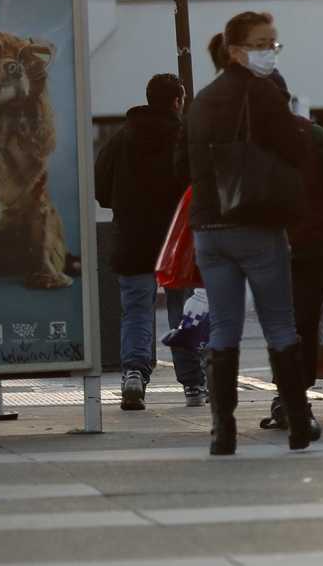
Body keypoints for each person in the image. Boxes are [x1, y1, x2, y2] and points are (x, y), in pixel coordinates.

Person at [178, 10, 317, 456]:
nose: (269, 52)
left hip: (209, 229)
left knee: (223, 326)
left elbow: (190, 165)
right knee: (279, 323)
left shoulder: (201, 100)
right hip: (256, 224)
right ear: (235, 50)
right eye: (260, 44)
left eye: (272, 43)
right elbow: (297, 151)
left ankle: (223, 432)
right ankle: (297, 423)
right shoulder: (263, 94)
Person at [94, 73, 205, 410]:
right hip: (177, 242)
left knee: (136, 310)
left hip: (132, 239)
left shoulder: (121, 138)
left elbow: (101, 189)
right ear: (177, 101)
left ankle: (134, 375)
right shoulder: (183, 138)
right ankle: (193, 386)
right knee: (183, 312)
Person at [258, 100, 323, 437]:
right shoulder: (316, 137)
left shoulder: (250, 138)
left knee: (282, 322)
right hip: (311, 247)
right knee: (299, 322)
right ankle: (293, 395)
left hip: (272, 247)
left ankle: (288, 395)